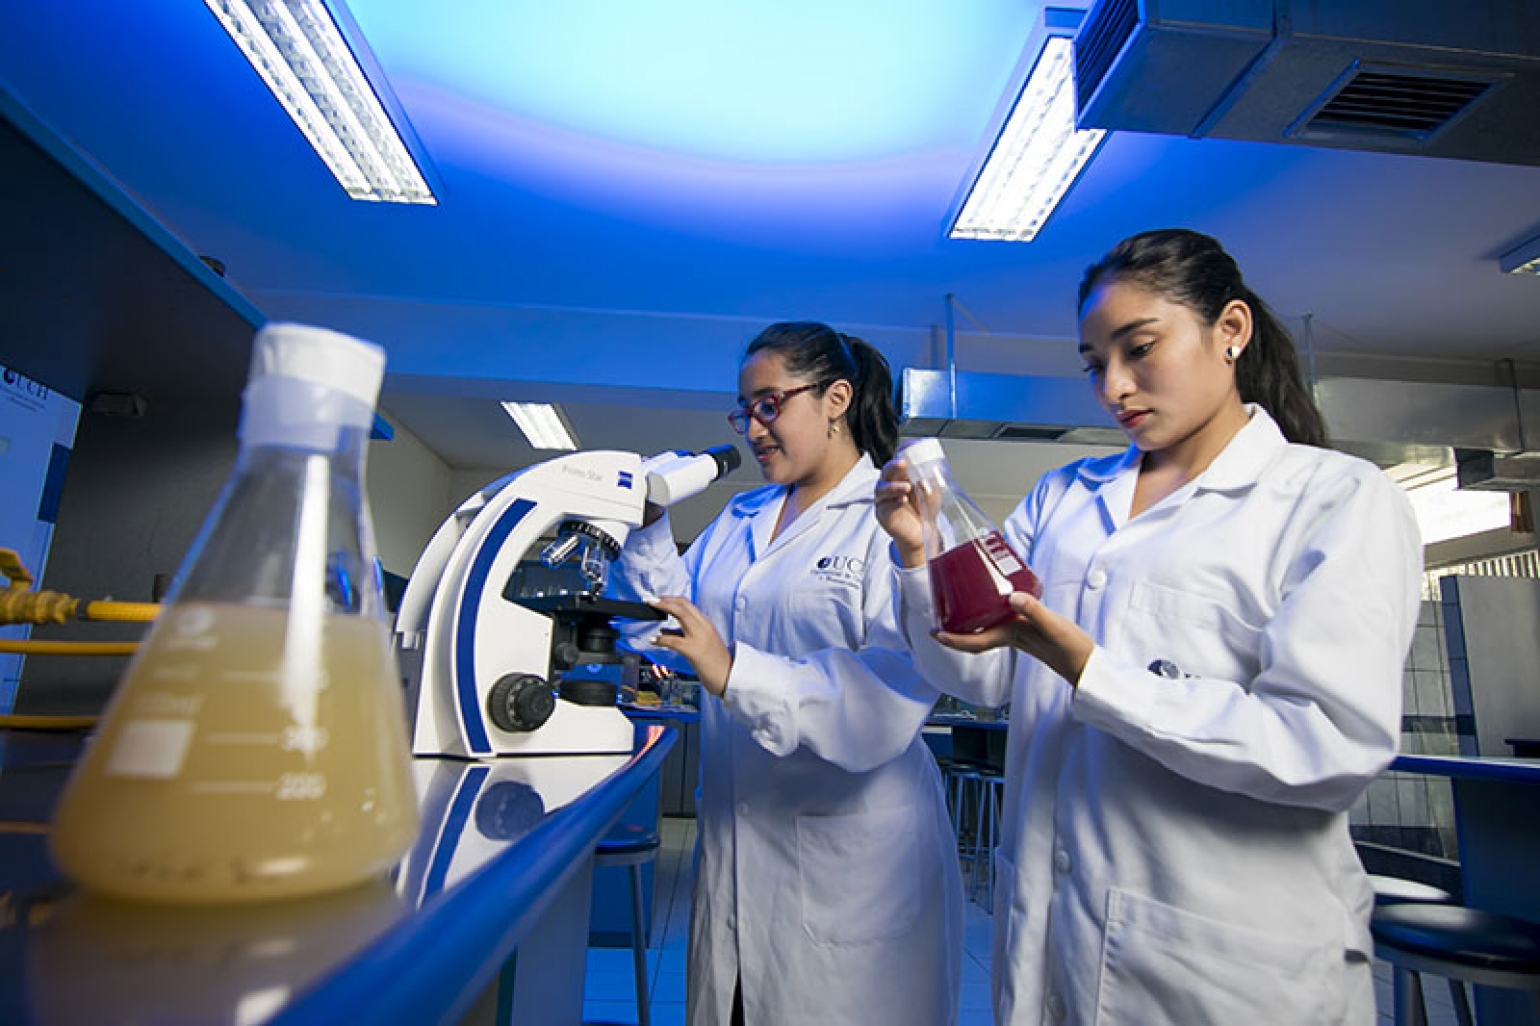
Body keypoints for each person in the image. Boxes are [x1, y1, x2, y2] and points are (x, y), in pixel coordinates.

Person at [876, 229, 1422, 1024]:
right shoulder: (1066, 498)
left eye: (1140, 348)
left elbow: (1326, 745)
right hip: (1054, 933)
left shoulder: (1335, 499)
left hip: (1225, 959)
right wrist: (921, 553)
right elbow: (981, 674)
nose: (1114, 387)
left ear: (1229, 330)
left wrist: (1089, 669)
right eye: (1096, 365)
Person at [608, 322, 964, 1025]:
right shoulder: (742, 516)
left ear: (836, 397)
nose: (753, 428)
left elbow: (886, 703)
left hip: (854, 868)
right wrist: (649, 527)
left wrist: (734, 669)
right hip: (739, 852)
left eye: (770, 405)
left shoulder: (893, 519)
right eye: (744, 410)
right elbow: (668, 626)